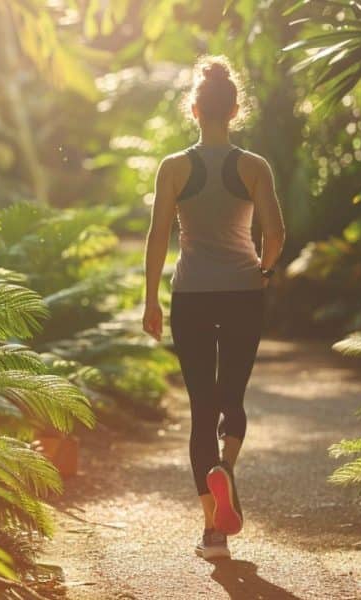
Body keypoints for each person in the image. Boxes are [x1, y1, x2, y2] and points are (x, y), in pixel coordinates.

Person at [141, 55, 286, 560]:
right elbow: (276, 233)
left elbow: (159, 235)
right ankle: (226, 465)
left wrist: (150, 299)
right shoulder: (254, 166)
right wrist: (263, 271)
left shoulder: (175, 167)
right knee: (233, 397)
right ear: (235, 109)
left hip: (192, 295)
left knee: (201, 408)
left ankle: (214, 533)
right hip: (245, 292)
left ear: (195, 110)